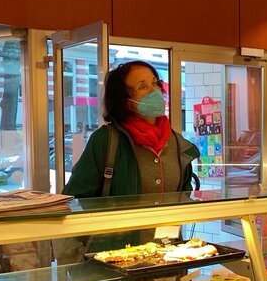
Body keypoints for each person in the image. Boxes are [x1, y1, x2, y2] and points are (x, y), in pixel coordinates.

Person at [63, 61, 200, 198]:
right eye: (143, 86)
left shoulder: (177, 142)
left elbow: (184, 197)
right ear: (125, 99)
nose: (155, 90)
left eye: (154, 83)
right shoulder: (106, 140)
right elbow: (75, 198)